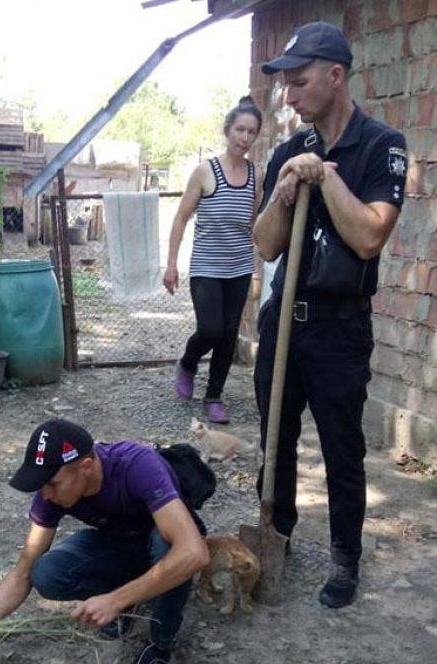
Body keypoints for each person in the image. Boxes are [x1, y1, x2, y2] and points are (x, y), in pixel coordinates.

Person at [253, 22, 407, 609]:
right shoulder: (287, 153)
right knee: (275, 438)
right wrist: (287, 189)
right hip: (283, 321)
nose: (288, 95)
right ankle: (278, 535)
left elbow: (370, 236)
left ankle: (346, 558)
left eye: (299, 81)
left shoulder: (380, 145)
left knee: (342, 448)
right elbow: (265, 245)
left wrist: (328, 179)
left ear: (336, 76)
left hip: (340, 325)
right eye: (285, 84)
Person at [0, 419, 209, 664]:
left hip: (165, 544)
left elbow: (193, 552)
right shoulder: (52, 492)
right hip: (122, 544)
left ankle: (161, 642)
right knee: (47, 573)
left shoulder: (138, 466)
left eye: (53, 484)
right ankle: (130, 600)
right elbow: (25, 569)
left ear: (86, 467)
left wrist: (114, 599)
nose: (45, 494)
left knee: (168, 545)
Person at [165, 96, 263, 424]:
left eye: (251, 132)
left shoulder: (255, 176)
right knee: (210, 328)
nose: (244, 137)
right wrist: (171, 264)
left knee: (229, 333)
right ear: (227, 130)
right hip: (206, 267)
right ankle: (189, 363)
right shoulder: (206, 172)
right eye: (239, 129)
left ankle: (214, 396)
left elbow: (253, 223)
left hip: (239, 267)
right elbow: (180, 218)